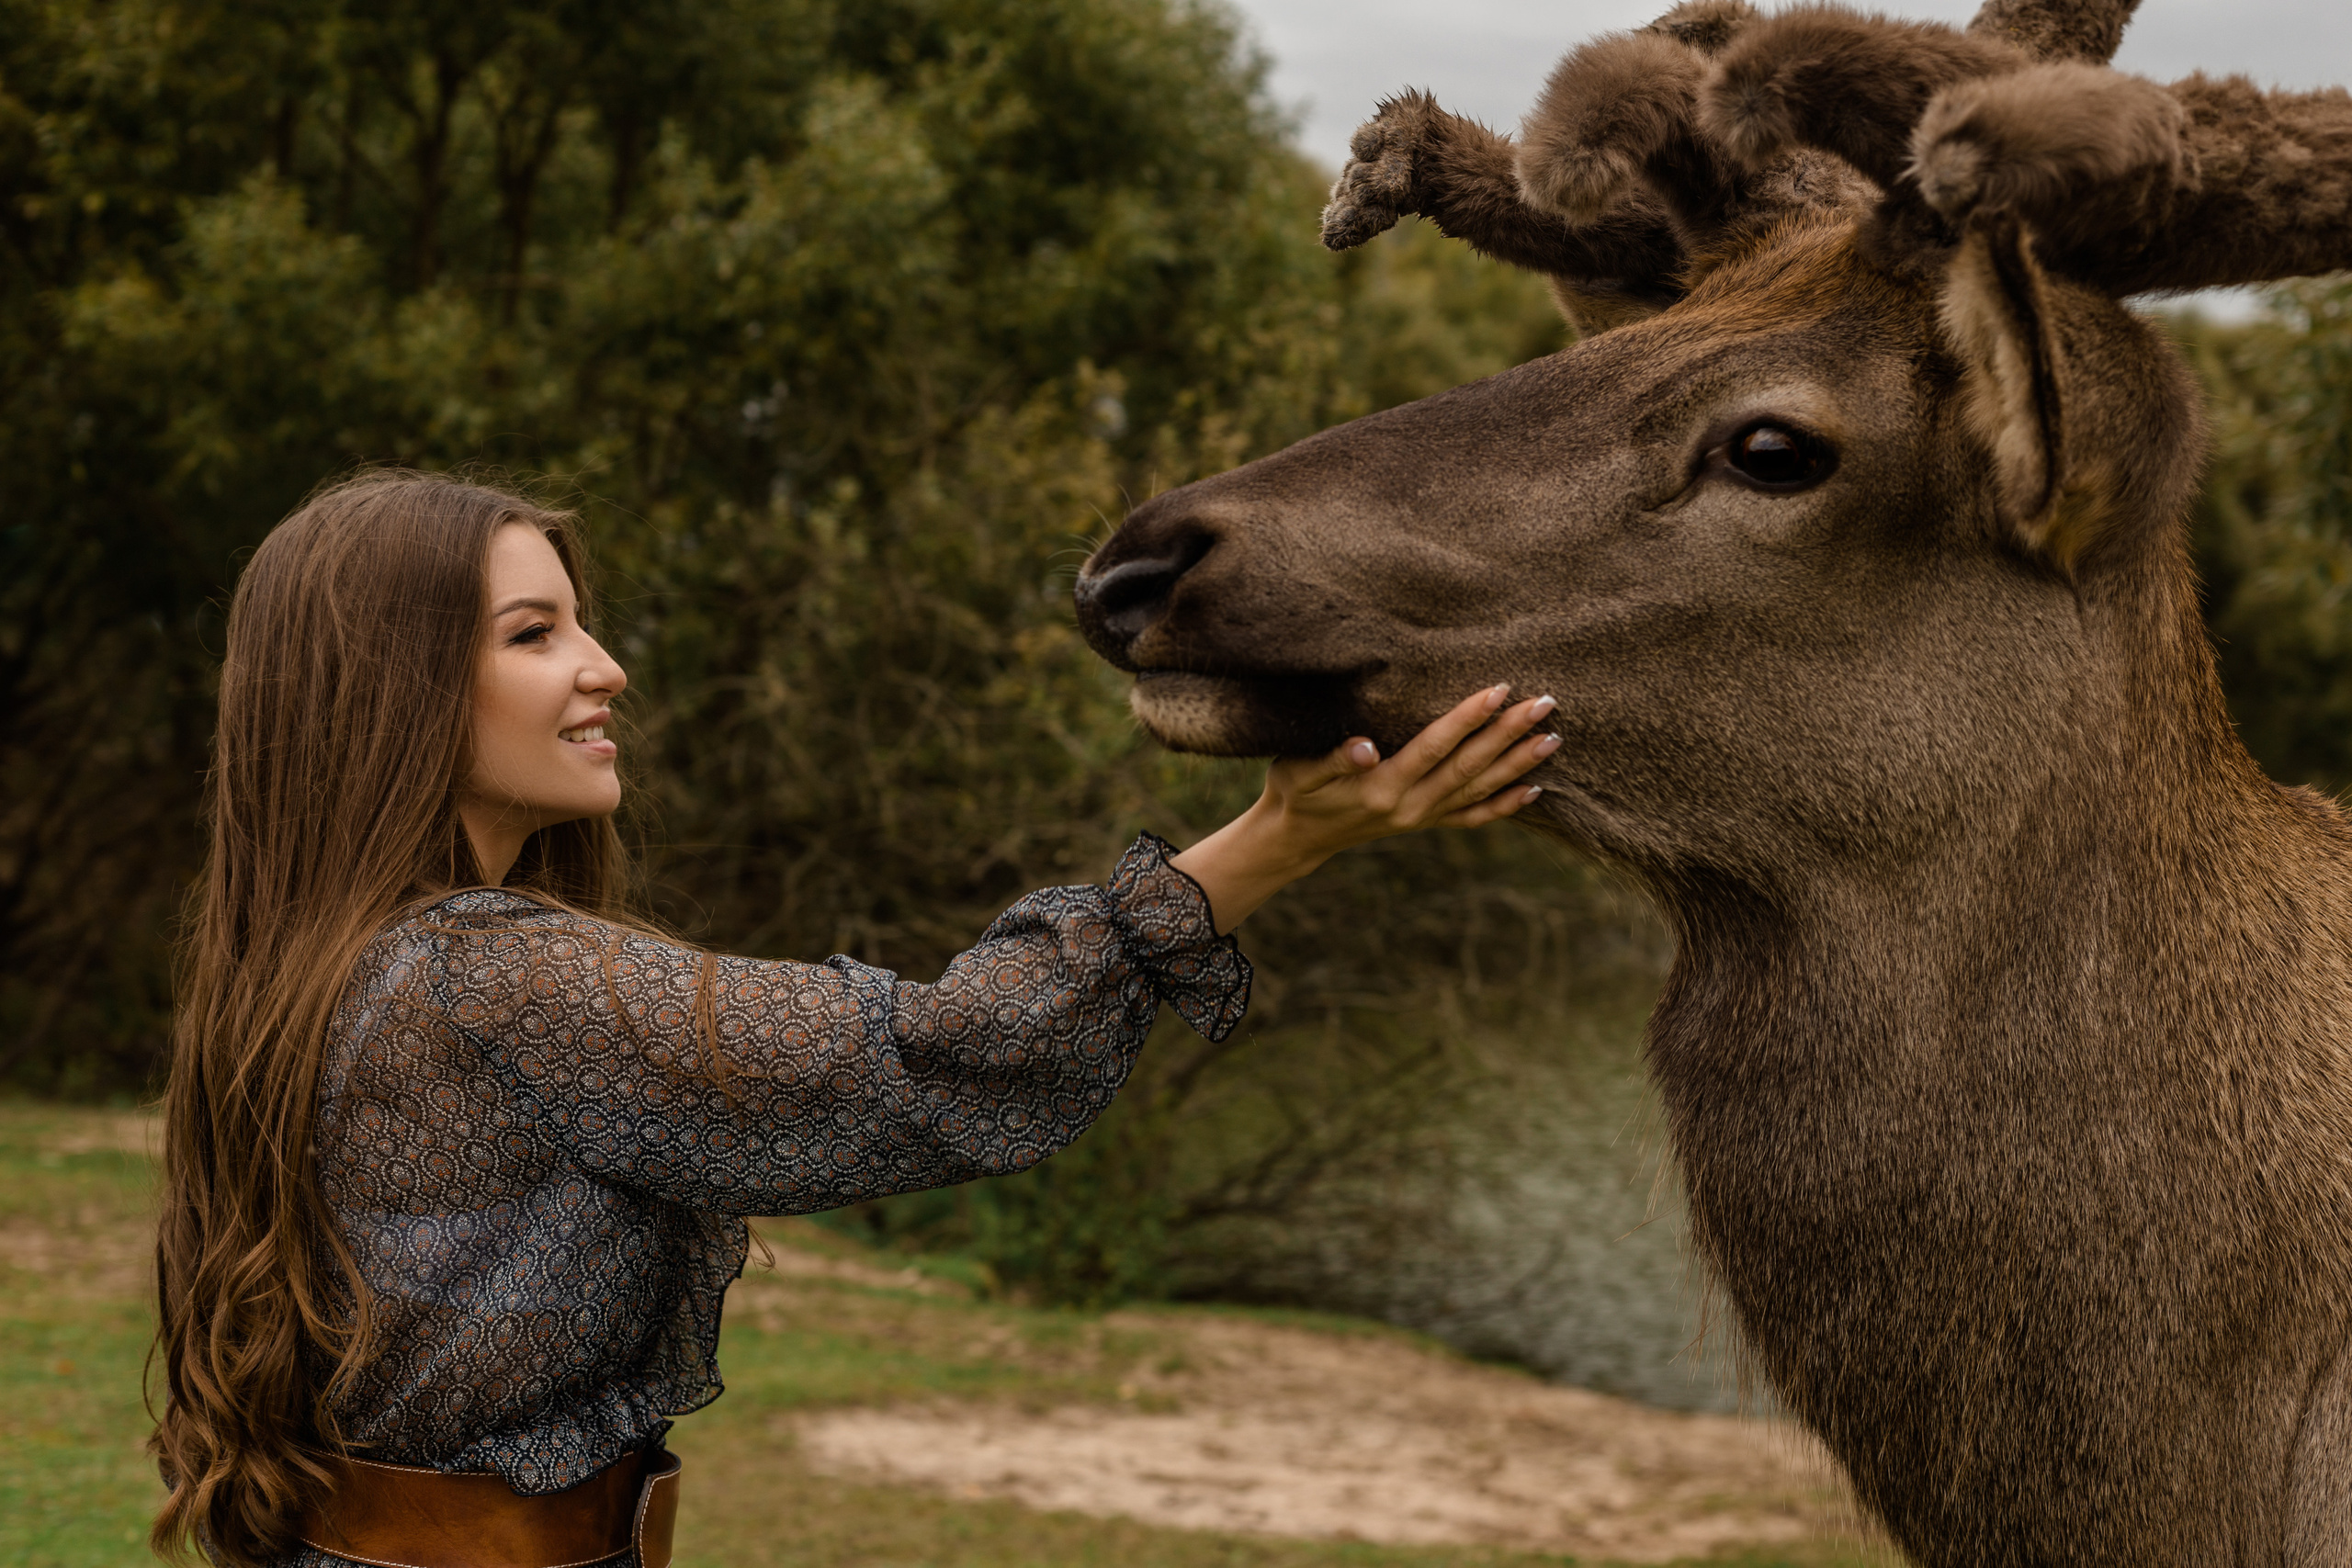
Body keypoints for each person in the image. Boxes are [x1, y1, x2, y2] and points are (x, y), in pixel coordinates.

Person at [149, 470, 1556, 1568]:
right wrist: (1275, 839)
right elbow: (940, 1060)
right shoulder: (489, 978)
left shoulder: (317, 964)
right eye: (535, 634)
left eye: (579, 619)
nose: (606, 666)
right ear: (391, 684)